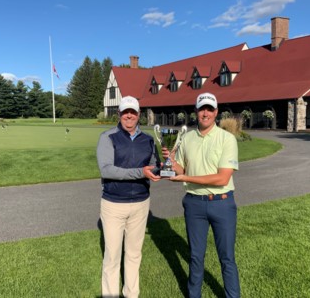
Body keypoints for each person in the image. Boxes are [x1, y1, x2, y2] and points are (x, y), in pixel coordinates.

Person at [163, 92, 241, 298]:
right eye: (201, 109)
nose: (205, 113)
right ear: (196, 111)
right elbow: (180, 169)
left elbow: (222, 178)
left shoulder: (227, 139)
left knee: (227, 258)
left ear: (216, 112)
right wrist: (170, 162)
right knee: (196, 257)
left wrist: (186, 177)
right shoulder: (186, 138)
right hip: (194, 204)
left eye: (209, 109)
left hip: (222, 204)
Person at [96, 96, 161, 298]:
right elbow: (107, 170)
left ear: (138, 114)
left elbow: (155, 165)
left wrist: (164, 165)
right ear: (119, 114)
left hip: (141, 204)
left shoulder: (148, 140)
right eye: (125, 112)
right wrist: (140, 172)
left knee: (134, 254)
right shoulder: (108, 137)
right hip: (113, 204)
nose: (129, 116)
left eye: (133, 112)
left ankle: (132, 294)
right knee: (112, 257)